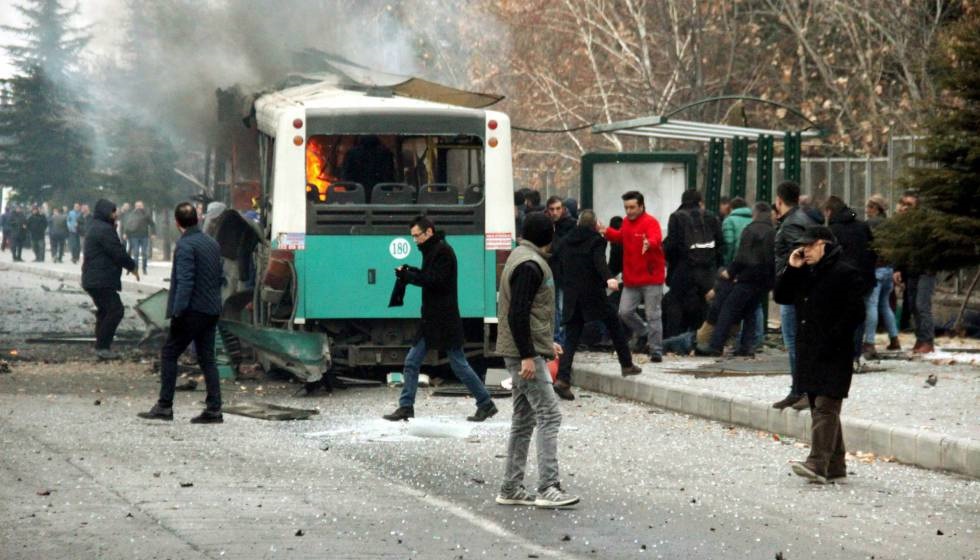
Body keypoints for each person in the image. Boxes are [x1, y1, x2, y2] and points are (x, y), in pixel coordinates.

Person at [494, 212, 578, 509]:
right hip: (522, 355)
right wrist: (529, 354)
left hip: (520, 350)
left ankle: (511, 487)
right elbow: (518, 313)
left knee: (524, 419)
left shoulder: (520, 257)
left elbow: (526, 314)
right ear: (549, 235)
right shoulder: (531, 265)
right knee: (550, 415)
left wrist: (544, 343)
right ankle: (548, 487)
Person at [774, 225, 865, 484]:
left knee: (826, 405)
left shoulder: (845, 272)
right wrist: (791, 268)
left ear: (824, 244)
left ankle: (816, 462)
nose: (804, 251)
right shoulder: (806, 271)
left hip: (834, 351)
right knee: (819, 405)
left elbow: (856, 314)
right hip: (810, 351)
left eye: (809, 246)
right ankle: (836, 464)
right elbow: (782, 296)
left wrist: (834, 338)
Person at [383, 216, 498, 422]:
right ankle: (406, 406)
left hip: (443, 319)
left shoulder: (442, 251)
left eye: (416, 236)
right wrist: (411, 271)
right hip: (433, 318)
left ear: (428, 232)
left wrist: (409, 277)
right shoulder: (434, 250)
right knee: (412, 361)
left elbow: (435, 281)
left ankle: (486, 403)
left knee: (458, 364)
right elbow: (430, 276)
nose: (415, 240)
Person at [138, 202, 225, 424]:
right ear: (196, 218)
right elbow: (219, 277)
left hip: (191, 311)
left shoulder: (185, 246)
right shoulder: (211, 243)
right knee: (208, 359)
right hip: (211, 309)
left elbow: (185, 281)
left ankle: (164, 406)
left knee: (169, 353)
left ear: (177, 223)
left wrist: (177, 311)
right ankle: (214, 409)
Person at [554, 210, 641, 400]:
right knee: (614, 324)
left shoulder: (566, 241)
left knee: (571, 337)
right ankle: (626, 364)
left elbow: (557, 263)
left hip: (572, 294)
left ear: (578, 224)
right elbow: (599, 262)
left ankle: (562, 379)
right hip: (592, 294)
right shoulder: (596, 240)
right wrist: (609, 278)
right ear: (595, 225)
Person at [697, 202, 776, 356]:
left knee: (728, 309)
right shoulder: (772, 231)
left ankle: (715, 346)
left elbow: (742, 256)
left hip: (747, 277)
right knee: (750, 312)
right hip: (764, 280)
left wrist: (731, 272)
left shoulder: (751, 229)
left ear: (755, 214)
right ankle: (747, 347)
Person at [601, 191, 666, 361]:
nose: (629, 211)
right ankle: (644, 332)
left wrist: (649, 243)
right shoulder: (626, 223)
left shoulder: (650, 222)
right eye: (626, 208)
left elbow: (656, 238)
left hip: (651, 278)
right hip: (631, 278)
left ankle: (656, 350)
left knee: (653, 314)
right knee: (624, 312)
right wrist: (605, 231)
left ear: (641, 206)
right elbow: (620, 237)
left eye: (632, 207)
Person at [771, 181, 819, 410]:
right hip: (797, 289)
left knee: (794, 342)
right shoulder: (801, 219)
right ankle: (798, 389)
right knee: (796, 341)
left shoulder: (791, 225)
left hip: (793, 290)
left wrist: (790, 280)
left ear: (779, 200)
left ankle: (801, 390)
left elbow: (799, 256)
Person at [81, 199, 139, 360]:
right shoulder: (105, 229)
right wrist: (132, 266)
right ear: (106, 212)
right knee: (115, 310)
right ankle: (102, 347)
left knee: (104, 311)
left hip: (94, 277)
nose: (115, 215)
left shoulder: (96, 226)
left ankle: (101, 346)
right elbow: (117, 252)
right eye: (113, 212)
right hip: (101, 278)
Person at [663, 189, 723, 338]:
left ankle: (674, 340)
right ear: (699, 201)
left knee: (675, 304)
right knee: (703, 306)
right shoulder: (711, 217)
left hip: (683, 269)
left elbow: (671, 245)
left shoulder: (677, 217)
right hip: (707, 271)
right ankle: (701, 340)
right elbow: (720, 244)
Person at [822, 196, 876, 361]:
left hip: (841, 281)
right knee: (858, 316)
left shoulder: (832, 231)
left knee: (838, 318)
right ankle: (855, 356)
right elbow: (873, 251)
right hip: (864, 279)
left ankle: (840, 355)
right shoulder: (862, 226)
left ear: (829, 211)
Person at [892, 191, 935, 353]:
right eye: (903, 204)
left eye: (909, 205)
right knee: (913, 306)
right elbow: (899, 248)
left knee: (922, 304)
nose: (905, 208)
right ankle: (920, 338)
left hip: (925, 269)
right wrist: (897, 269)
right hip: (910, 269)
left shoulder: (925, 225)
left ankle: (927, 340)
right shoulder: (901, 225)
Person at [862, 194, 900, 356]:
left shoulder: (869, 225)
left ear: (876, 208)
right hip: (889, 269)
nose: (866, 210)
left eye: (869, 207)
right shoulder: (892, 225)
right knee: (884, 305)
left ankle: (869, 342)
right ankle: (894, 339)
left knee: (871, 305)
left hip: (876, 270)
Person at [546, 195, 575, 344]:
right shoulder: (547, 224)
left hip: (565, 271)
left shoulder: (570, 225)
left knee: (562, 307)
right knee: (555, 307)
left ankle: (561, 339)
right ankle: (557, 339)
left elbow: (561, 246)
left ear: (563, 209)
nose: (555, 212)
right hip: (553, 271)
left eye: (558, 209)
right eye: (552, 209)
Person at [125, 200, 155, 275]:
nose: (139, 207)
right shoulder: (132, 214)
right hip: (134, 236)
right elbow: (128, 224)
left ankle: (144, 268)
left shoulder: (146, 214)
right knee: (136, 253)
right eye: (137, 206)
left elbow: (152, 224)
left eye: (140, 206)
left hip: (144, 236)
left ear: (143, 206)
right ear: (135, 207)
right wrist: (125, 233)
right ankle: (136, 268)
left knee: (144, 253)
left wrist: (153, 233)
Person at [720, 197, 751, 267]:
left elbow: (729, 244)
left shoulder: (729, 221)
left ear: (731, 208)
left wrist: (726, 263)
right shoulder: (753, 220)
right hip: (751, 263)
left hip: (735, 262)